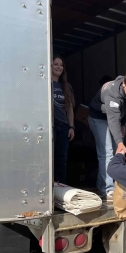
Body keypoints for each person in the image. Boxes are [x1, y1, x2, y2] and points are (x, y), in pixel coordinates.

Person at [88, 69, 126, 200]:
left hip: (114, 116)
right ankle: (107, 189)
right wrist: (120, 142)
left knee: (115, 152)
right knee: (107, 151)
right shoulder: (112, 94)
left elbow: (125, 109)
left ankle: (106, 184)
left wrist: (123, 124)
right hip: (98, 117)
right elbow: (113, 119)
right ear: (124, 83)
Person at [51, 54, 75, 184]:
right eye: (55, 64)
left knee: (62, 158)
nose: (58, 67)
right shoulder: (46, 84)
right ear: (49, 66)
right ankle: (50, 186)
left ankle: (61, 186)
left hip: (63, 126)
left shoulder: (66, 86)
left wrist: (71, 127)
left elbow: (70, 108)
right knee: (51, 157)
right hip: (51, 126)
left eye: (61, 65)